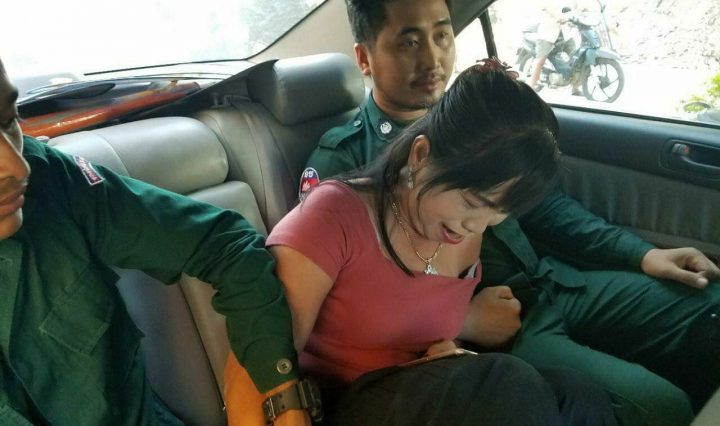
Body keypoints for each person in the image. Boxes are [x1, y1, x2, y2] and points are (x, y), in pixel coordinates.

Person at [301, 0, 720, 424]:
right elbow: (339, 309)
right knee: (662, 407)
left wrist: (641, 254)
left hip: (551, 282)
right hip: (497, 334)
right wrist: (460, 321)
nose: (432, 58)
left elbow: (546, 208)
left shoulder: (482, 118)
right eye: (409, 42)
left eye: (442, 35)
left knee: (707, 308)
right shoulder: (345, 165)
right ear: (364, 58)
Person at [228, 60, 618, 425]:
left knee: (577, 394)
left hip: (417, 395)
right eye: (472, 202)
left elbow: (420, 324)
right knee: (506, 382)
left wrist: (448, 350)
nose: (477, 225)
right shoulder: (333, 215)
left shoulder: (461, 230)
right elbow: (258, 359)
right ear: (420, 155)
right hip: (340, 403)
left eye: (499, 212)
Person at [0, 58, 301, 425]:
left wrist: (277, 391)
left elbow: (226, 246)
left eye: (9, 121)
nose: (16, 167)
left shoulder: (50, 179)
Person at [526, 1, 577, 94]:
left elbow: (574, 6)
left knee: (576, 57)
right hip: (548, 33)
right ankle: (530, 89)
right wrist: (558, 16)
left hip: (565, 33)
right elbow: (546, 7)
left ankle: (575, 87)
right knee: (540, 61)